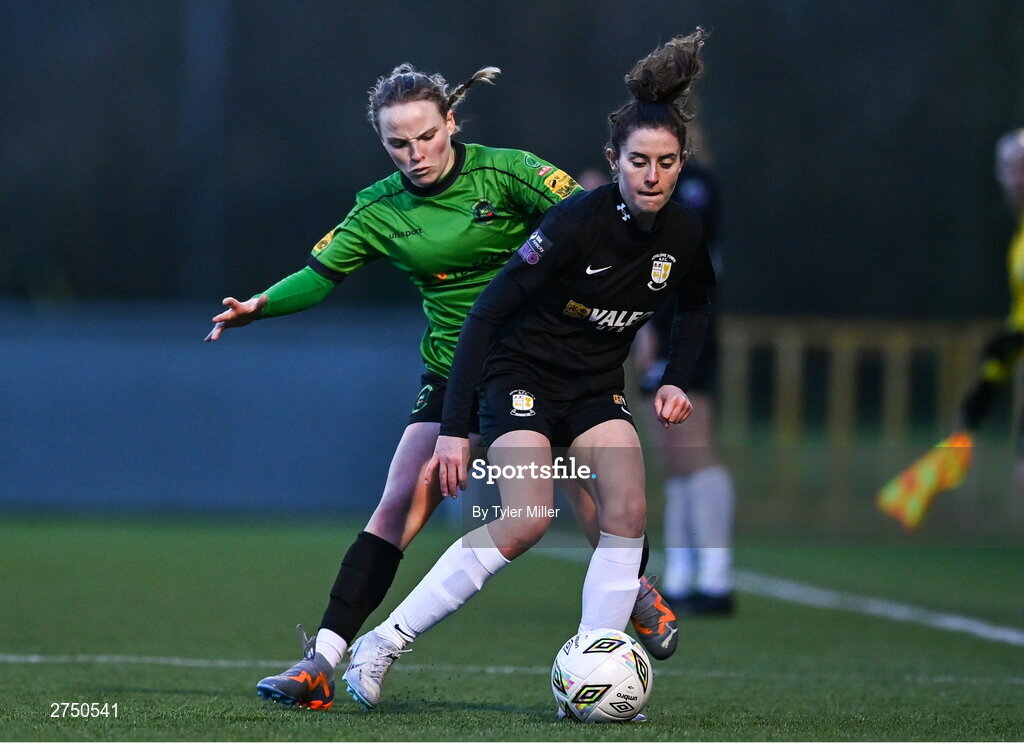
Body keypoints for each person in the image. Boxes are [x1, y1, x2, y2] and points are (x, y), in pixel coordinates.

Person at [205, 62, 678, 710]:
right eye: (398, 143)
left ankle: (632, 594)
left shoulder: (508, 171)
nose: (415, 153)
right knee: (401, 501)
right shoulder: (379, 207)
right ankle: (323, 659)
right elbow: (320, 273)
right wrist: (259, 304)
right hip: (456, 367)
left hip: (542, 361)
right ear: (383, 143)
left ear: (451, 122)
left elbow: (589, 218)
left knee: (592, 494)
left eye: (426, 136)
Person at [342, 30, 712, 714]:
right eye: (638, 162)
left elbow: (698, 299)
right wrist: (454, 430)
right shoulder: (576, 221)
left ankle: (596, 658)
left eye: (665, 162)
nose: (651, 176)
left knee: (628, 507)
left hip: (594, 385)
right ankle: (382, 643)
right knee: (526, 517)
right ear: (615, 161)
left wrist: (676, 378)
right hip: (520, 372)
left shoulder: (685, 233)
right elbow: (485, 315)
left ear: (681, 162)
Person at [877, 128, 1024, 530]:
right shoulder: (1019, 242)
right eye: (1010, 170)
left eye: (1022, 169)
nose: (1016, 179)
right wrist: (987, 386)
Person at [633, 132, 736, 615]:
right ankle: (682, 573)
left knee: (695, 452)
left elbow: (683, 258)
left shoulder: (695, 184)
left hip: (689, 328)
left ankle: (715, 579)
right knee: (674, 459)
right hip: (660, 325)